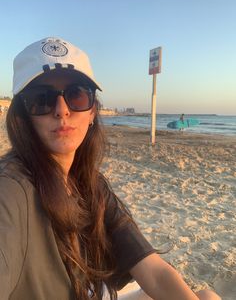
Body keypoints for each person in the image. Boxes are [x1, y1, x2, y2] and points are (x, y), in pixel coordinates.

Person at [0, 37, 221, 300]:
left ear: (92, 111)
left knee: (207, 296)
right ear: (23, 116)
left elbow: (154, 273)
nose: (61, 111)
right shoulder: (12, 190)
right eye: (41, 99)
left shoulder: (89, 183)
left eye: (76, 95)